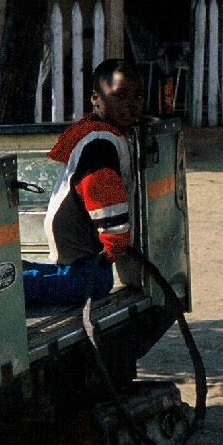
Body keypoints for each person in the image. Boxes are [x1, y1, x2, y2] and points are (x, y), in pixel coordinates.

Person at [23, 59, 146, 307]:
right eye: (120, 96)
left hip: (84, 263)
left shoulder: (101, 135)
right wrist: (113, 248)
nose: (131, 105)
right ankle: (18, 278)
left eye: (138, 97)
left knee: (43, 283)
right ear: (95, 98)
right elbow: (103, 201)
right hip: (84, 259)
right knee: (89, 283)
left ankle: (21, 273)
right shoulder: (100, 142)